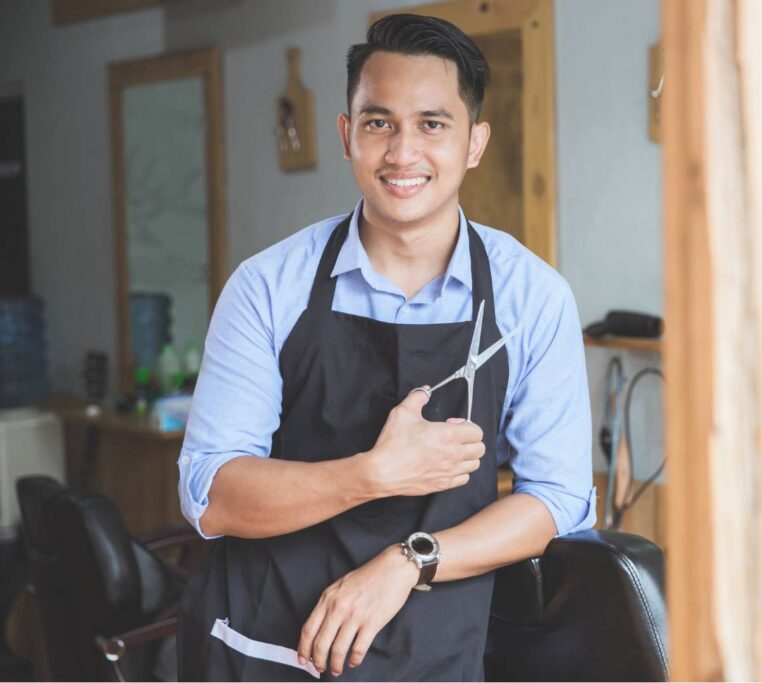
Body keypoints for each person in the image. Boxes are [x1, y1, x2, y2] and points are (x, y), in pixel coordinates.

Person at [175, 13, 596, 681]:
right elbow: (212, 495)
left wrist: (410, 558)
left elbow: (558, 500)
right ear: (347, 136)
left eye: (433, 124)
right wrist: (374, 474)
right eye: (379, 123)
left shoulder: (531, 300)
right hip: (266, 652)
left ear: (474, 142)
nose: (402, 153)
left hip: (438, 656)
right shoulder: (267, 288)